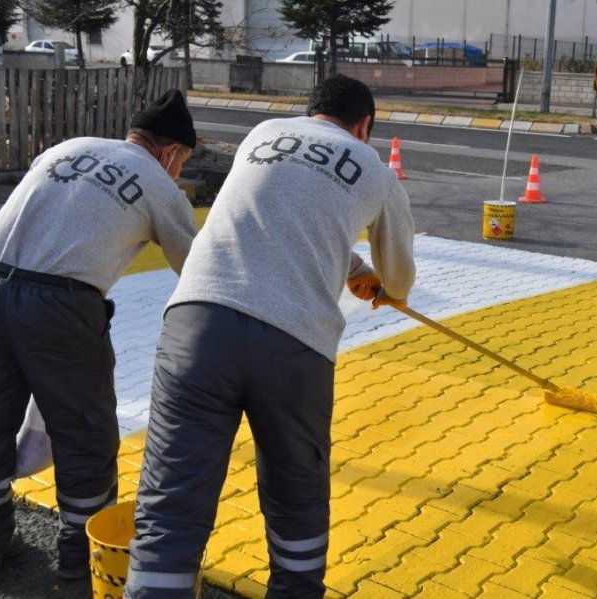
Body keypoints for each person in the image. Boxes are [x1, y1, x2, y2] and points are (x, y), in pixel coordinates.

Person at [124, 74, 416, 599]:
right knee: (296, 498)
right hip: (295, 343)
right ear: (364, 126)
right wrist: (370, 273)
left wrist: (342, 261)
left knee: (172, 502)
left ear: (310, 112)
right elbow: (398, 281)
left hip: (198, 324)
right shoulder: (375, 169)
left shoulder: (263, 134)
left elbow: (273, 214)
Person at [0, 89, 198, 579]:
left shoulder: (66, 148)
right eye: (182, 161)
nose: (179, 171)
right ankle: (81, 561)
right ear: (168, 152)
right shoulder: (159, 185)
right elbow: (197, 269)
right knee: (84, 433)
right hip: (60, 306)